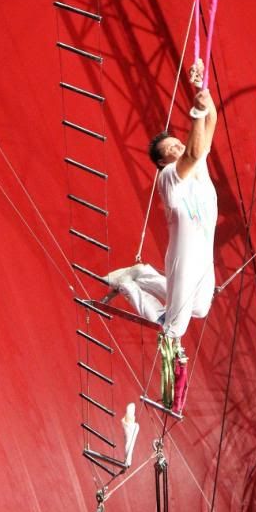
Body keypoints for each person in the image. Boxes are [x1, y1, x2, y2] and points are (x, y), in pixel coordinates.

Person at [103, 86, 218, 346]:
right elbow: (192, 152)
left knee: (199, 308)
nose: (179, 146)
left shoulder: (198, 164)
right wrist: (197, 111)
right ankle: (128, 285)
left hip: (203, 257)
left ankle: (142, 275)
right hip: (184, 258)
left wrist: (203, 91)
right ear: (163, 162)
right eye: (172, 148)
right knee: (173, 328)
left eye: (178, 143)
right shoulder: (169, 177)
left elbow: (211, 120)